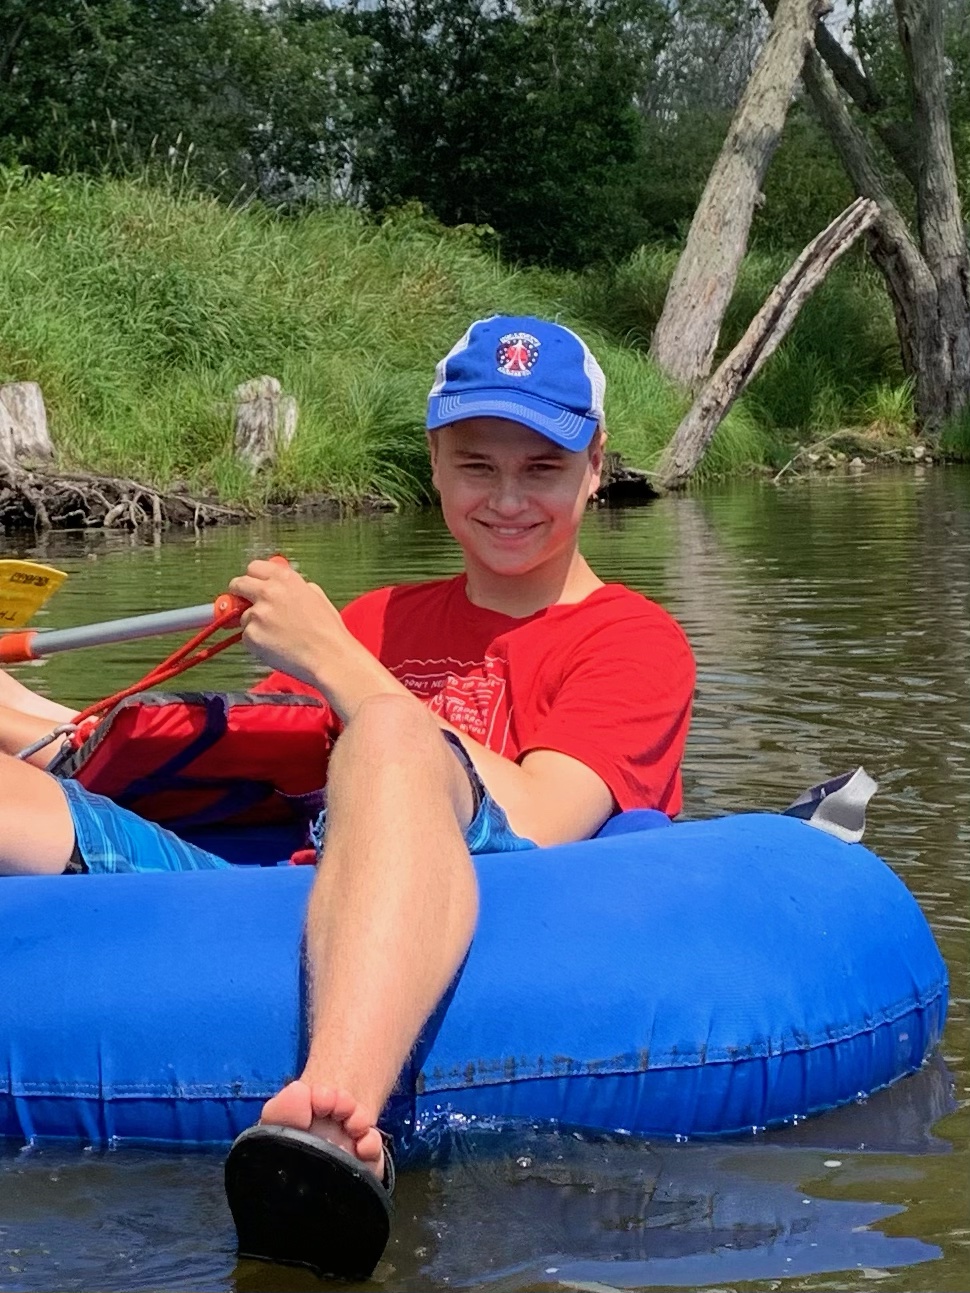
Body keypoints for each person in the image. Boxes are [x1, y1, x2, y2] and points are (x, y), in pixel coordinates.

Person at [0, 316, 695, 1277]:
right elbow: (227, 755)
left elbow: (541, 817)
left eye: (541, 467)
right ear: (436, 462)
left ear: (594, 466)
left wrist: (338, 661)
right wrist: (21, 711)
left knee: (393, 735)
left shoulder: (632, 636)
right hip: (285, 890)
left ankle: (332, 1121)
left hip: (493, 896)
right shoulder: (382, 616)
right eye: (474, 464)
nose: (505, 499)